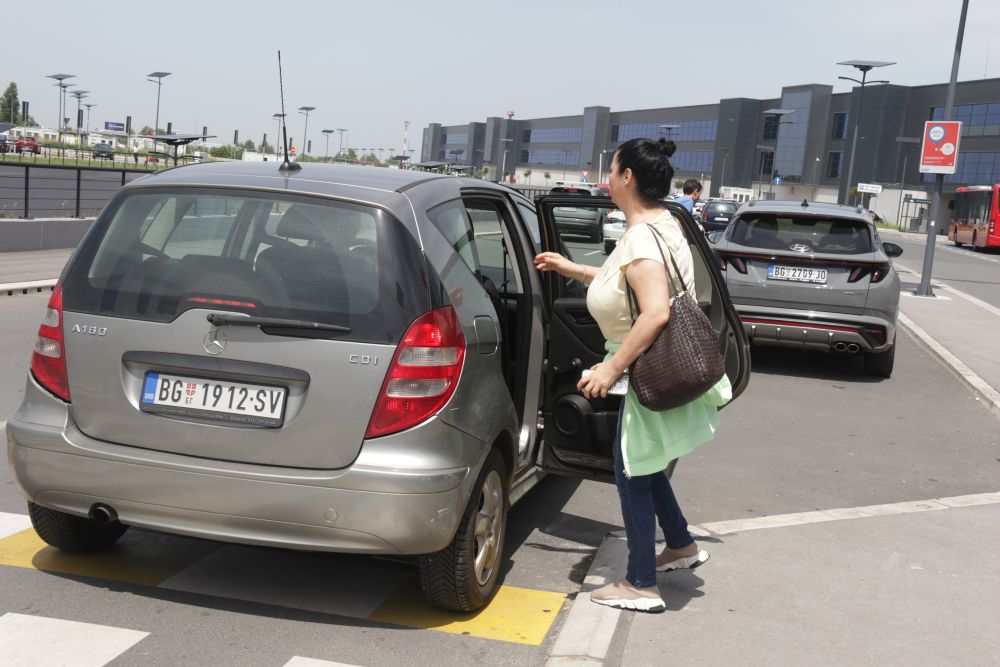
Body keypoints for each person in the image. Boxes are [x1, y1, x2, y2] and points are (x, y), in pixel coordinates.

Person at [534, 138, 731, 613]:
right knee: (647, 460)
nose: (606, 177)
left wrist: (610, 366)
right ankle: (681, 545)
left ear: (626, 179)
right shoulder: (660, 227)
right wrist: (570, 268)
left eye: (611, 168)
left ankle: (641, 582)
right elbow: (619, 283)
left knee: (631, 471)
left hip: (645, 367)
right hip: (654, 362)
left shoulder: (642, 238)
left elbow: (655, 311)